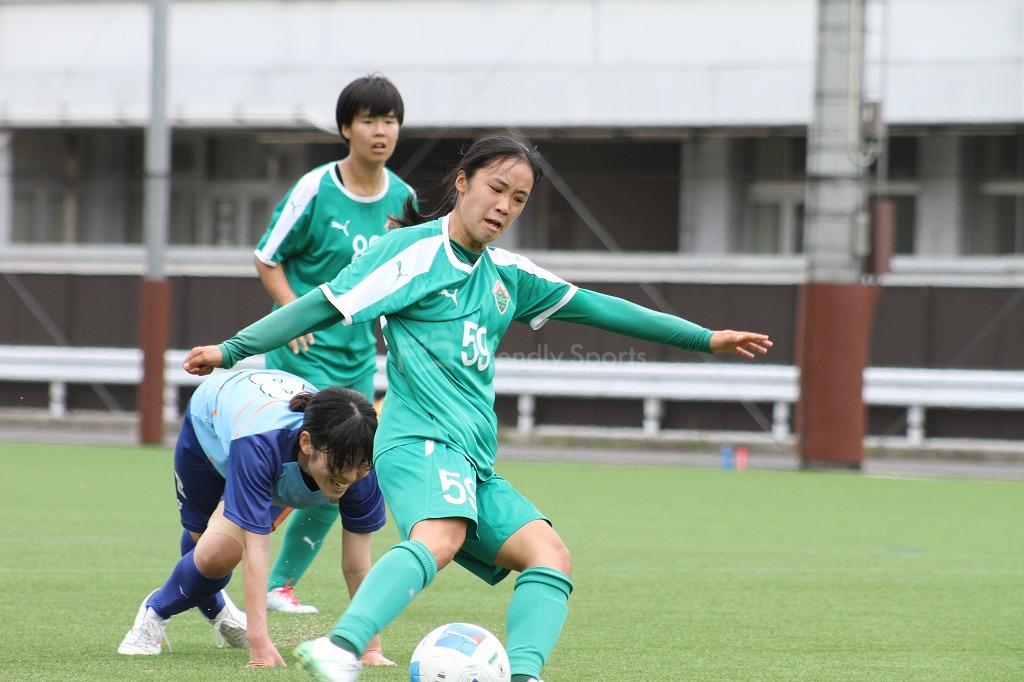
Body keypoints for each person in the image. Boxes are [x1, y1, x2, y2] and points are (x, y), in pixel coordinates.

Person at [183, 134, 773, 682]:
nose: (504, 206)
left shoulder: (507, 274)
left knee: (549, 556)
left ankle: (523, 675)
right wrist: (232, 349)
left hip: (472, 458)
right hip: (417, 441)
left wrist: (704, 338)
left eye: (518, 199)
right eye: (497, 188)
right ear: (462, 182)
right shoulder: (410, 253)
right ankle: (341, 647)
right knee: (440, 537)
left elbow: (599, 307)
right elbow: (322, 303)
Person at [253, 73, 414, 626]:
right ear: (346, 128)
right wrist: (288, 313)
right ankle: (223, 554)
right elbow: (267, 257)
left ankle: (278, 585)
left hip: (356, 359)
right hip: (301, 356)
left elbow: (409, 275)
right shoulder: (314, 189)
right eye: (369, 120)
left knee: (343, 471)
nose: (381, 131)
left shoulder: (404, 199)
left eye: (389, 121)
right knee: (291, 466)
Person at [117, 369, 384, 669]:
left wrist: (370, 647)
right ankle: (157, 610)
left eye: (361, 465)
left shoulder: (361, 466)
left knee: (218, 552)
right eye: (341, 464)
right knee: (213, 551)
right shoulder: (260, 446)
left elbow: (357, 566)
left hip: (267, 453)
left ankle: (194, 610)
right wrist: (259, 642)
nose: (349, 476)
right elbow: (256, 549)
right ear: (307, 443)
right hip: (211, 425)